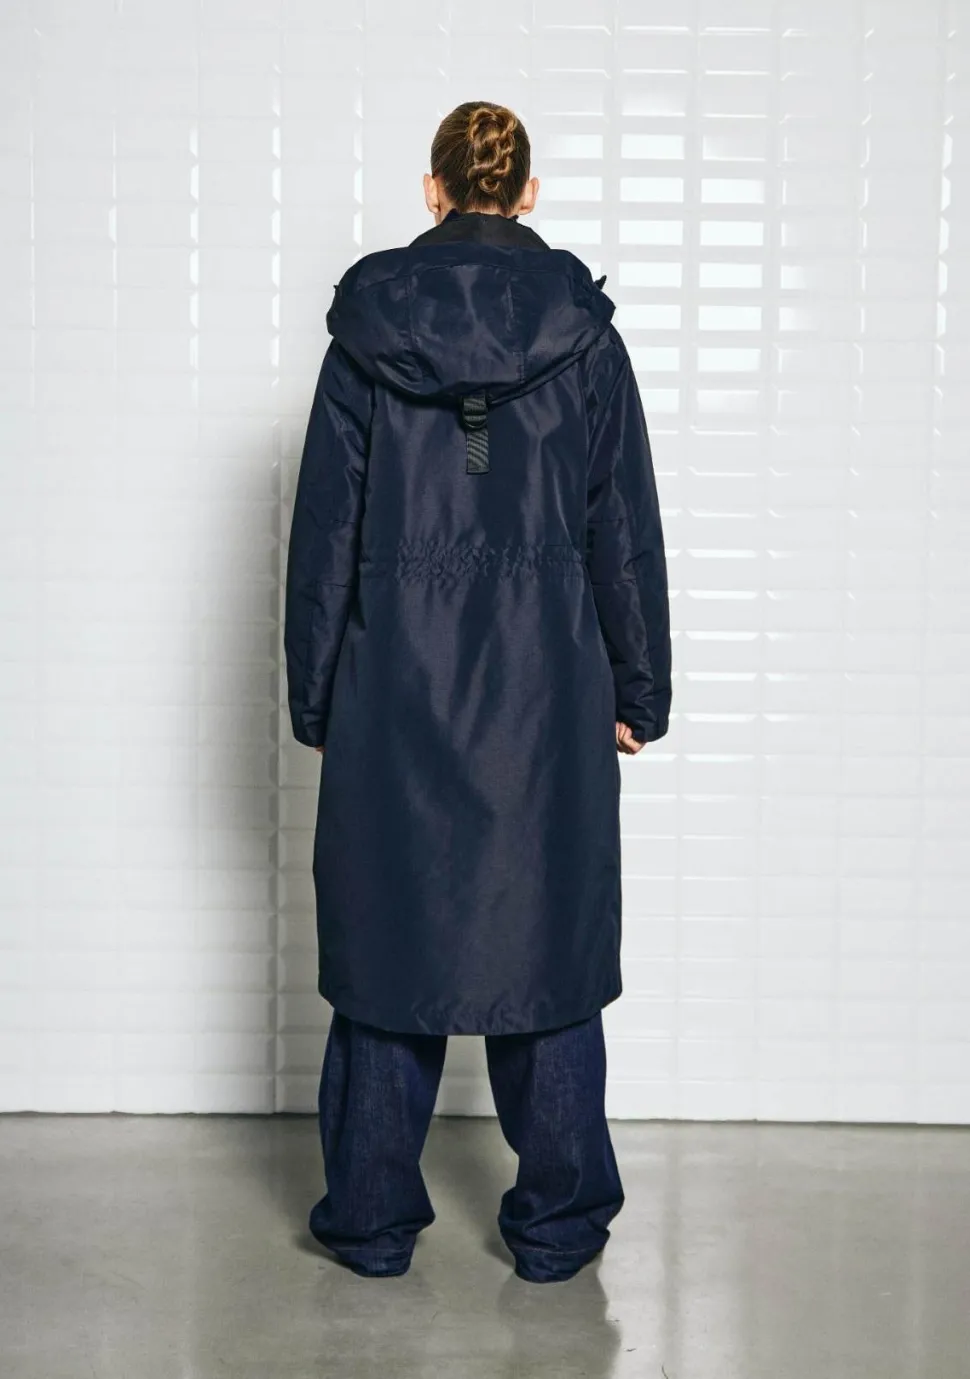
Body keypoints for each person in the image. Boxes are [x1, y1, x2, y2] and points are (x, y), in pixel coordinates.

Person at [283, 101, 672, 1284]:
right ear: (527, 193)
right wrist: (639, 687)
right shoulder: (586, 339)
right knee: (545, 956)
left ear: (433, 189)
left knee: (387, 951)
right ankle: (558, 1228)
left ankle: (369, 1221)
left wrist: (317, 699)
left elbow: (324, 535)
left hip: (393, 687)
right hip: (546, 693)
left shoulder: (365, 338)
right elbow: (619, 527)